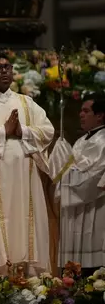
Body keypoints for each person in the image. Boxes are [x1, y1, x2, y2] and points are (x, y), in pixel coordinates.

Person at [0, 52, 55, 275]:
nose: (5, 71)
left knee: (24, 221)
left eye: (8, 67)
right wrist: (2, 132)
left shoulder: (26, 103)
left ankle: (29, 275)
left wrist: (22, 131)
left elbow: (48, 130)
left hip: (24, 177)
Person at [50, 96, 105, 276]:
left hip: (96, 206)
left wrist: (65, 173)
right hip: (77, 207)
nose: (81, 115)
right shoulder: (82, 141)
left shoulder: (102, 140)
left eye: (86, 111)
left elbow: (93, 174)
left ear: (100, 116)